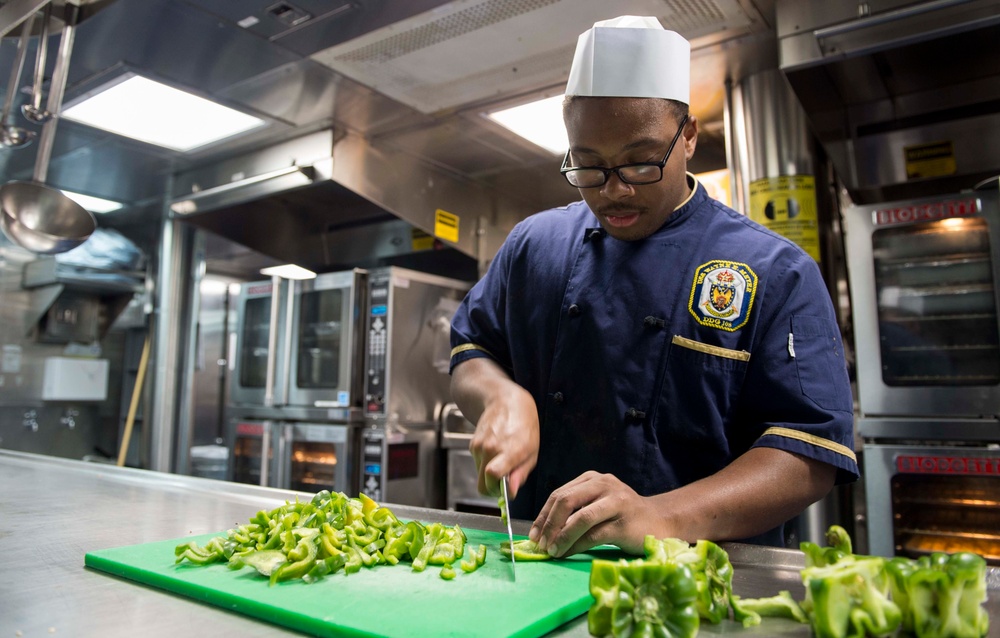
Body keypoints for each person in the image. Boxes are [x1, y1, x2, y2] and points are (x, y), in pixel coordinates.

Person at [448, 15, 858, 557]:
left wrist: (659, 514)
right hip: (539, 568)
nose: (614, 191)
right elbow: (470, 352)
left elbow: (809, 455)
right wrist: (502, 397)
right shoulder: (534, 245)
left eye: (641, 162)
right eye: (589, 167)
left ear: (687, 136)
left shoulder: (775, 270)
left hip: (700, 582)